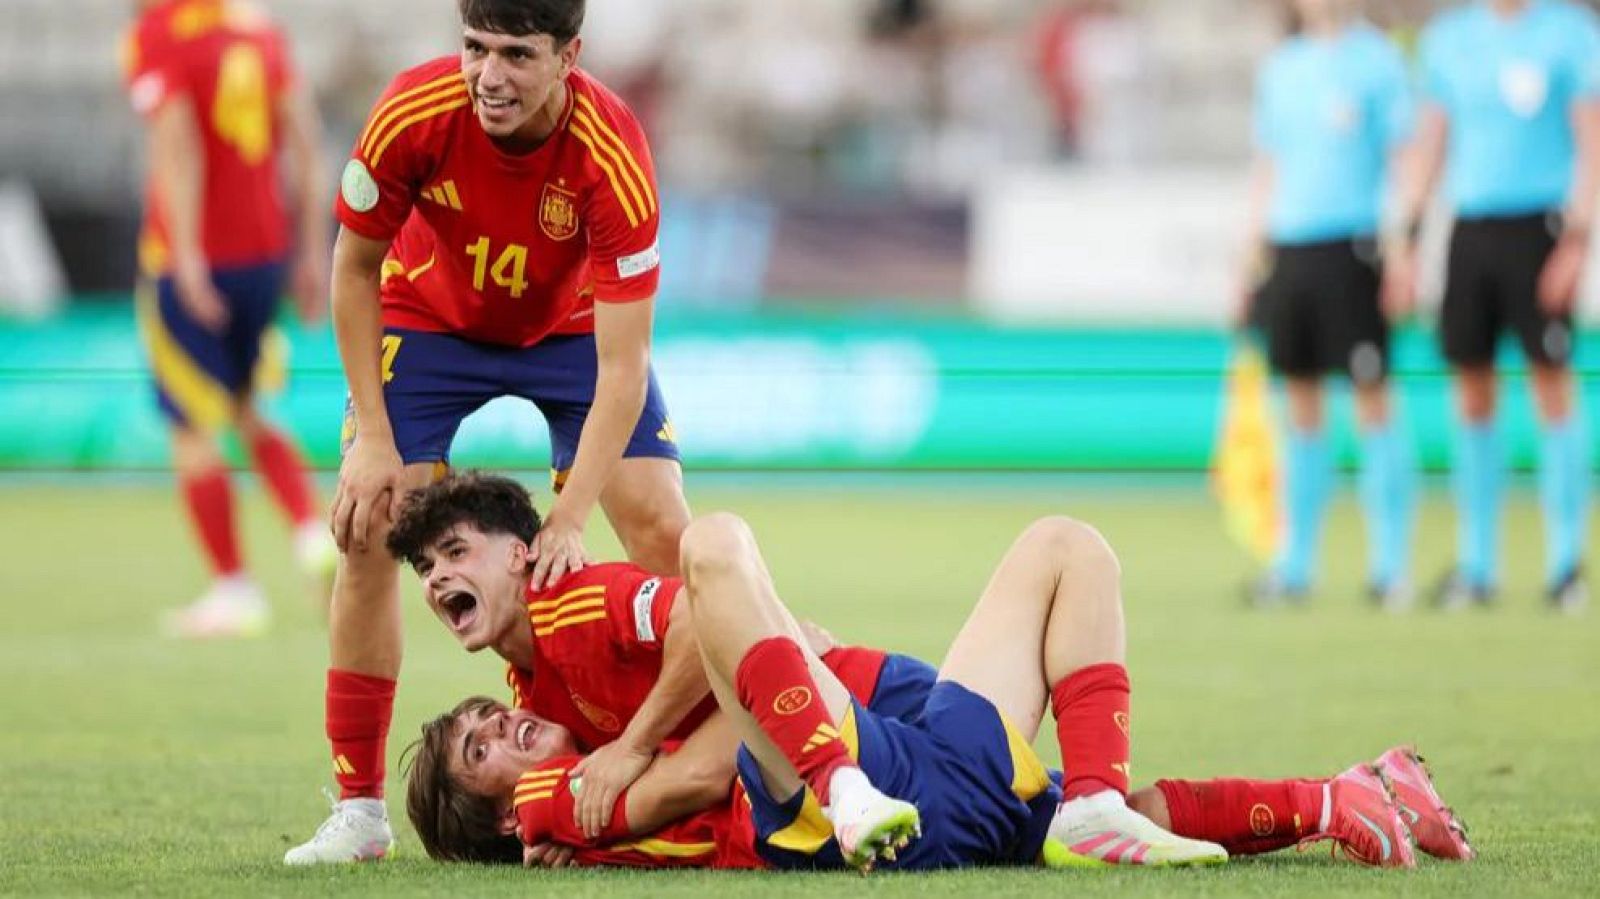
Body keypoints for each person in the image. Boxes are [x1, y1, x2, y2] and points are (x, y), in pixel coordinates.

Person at [405, 512, 1476, 870]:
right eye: (480, 747)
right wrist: (772, 660)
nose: (498, 723)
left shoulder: (568, 705)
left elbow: (701, 702)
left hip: (908, 752)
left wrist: (771, 661)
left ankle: (1337, 797)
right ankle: (846, 780)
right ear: (496, 810)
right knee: (718, 545)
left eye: (483, 715)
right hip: (842, 799)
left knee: (1068, 547)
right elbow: (694, 772)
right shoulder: (552, 806)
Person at [285, 0, 692, 863]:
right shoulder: (412, 113)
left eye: (516, 54)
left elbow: (623, 368)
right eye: (475, 49)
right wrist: (372, 439)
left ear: (569, 55)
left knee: (661, 524)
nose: (490, 76)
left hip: (572, 331)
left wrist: (573, 515)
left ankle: (688, 747)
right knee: (369, 525)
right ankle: (359, 810)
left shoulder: (612, 154)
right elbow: (353, 269)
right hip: (428, 319)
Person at [383, 472, 937, 843]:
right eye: (426, 569)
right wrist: (560, 836)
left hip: (869, 700)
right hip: (799, 759)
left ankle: (842, 785)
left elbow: (702, 622)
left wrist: (635, 744)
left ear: (517, 554)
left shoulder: (575, 602)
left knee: (713, 539)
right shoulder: (529, 694)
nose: (437, 579)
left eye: (455, 553)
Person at [122, 0, 335, 638]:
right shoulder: (258, 29)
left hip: (195, 257)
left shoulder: (158, 32)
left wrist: (185, 255)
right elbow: (305, 140)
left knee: (190, 426)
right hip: (263, 253)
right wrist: (309, 251)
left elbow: (178, 141)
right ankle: (309, 530)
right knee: (247, 409)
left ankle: (233, 587)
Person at [1391, 0, 1599, 611]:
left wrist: (1577, 240)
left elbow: (1591, 141)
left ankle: (1566, 562)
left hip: (1541, 226)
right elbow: (1433, 142)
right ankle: (1477, 563)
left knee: (1551, 387)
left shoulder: (1569, 33)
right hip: (1471, 230)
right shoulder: (1451, 39)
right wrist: (1407, 235)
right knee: (1473, 392)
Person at [1237, 0, 1418, 609]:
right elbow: (1269, 166)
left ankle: (1390, 564)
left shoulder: (1381, 61)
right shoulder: (1281, 68)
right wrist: (1251, 257)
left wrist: (1400, 250)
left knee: (1372, 401)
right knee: (1301, 409)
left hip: (1354, 246)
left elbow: (1403, 162)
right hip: (1291, 250)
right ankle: (1296, 565)